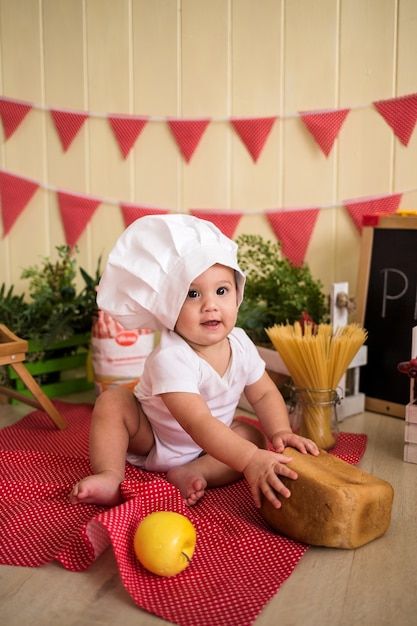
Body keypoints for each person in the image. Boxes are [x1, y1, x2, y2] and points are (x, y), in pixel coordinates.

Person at [70, 214, 319, 509]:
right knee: (113, 402)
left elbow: (264, 393)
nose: (210, 304)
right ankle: (109, 475)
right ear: (168, 307)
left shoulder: (240, 342)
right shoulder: (172, 356)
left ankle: (194, 471)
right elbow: (197, 422)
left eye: (222, 291)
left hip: (211, 445)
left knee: (252, 436)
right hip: (154, 436)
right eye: (193, 294)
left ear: (237, 293)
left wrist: (281, 433)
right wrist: (249, 459)